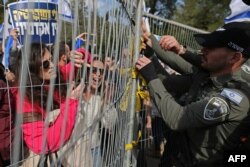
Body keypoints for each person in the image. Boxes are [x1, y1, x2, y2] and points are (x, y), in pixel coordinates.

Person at [136, 22, 250, 166]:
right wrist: (151, 43)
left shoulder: (235, 97)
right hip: (176, 154)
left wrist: (151, 76)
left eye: (212, 47)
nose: (203, 50)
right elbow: (172, 78)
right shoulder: (207, 74)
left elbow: (177, 118)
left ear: (234, 58)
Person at [12, 43, 81, 166]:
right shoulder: (25, 98)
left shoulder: (48, 80)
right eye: (46, 64)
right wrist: (70, 104)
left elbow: (69, 68)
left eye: (52, 59)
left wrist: (81, 54)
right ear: (32, 69)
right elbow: (42, 143)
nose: (53, 66)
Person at [63, 57, 105, 167]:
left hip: (93, 150)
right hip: (74, 151)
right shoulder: (72, 93)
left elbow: (110, 124)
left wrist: (106, 104)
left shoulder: (100, 98)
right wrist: (71, 100)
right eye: (94, 70)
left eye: (102, 71)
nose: (98, 74)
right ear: (86, 72)